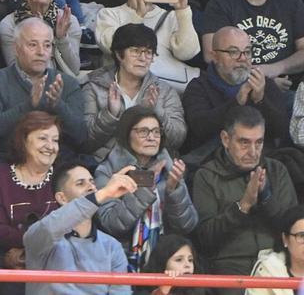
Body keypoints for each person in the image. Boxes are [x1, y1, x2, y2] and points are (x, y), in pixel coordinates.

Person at [192, 105, 298, 277]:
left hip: (276, 262)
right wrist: (243, 205)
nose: (253, 152)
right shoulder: (206, 176)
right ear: (226, 139)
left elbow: (293, 229)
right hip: (229, 267)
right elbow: (205, 239)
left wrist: (266, 196)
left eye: (259, 142)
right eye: (244, 142)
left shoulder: (277, 170)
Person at [94, 107, 198, 271]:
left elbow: (187, 225)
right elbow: (110, 223)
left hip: (165, 263)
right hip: (121, 261)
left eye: (156, 132)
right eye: (144, 131)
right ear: (127, 133)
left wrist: (174, 190)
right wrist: (145, 188)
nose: (152, 137)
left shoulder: (169, 168)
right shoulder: (108, 171)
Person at [0, 18, 87, 160]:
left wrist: (57, 105)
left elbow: (81, 137)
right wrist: (29, 105)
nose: (41, 52)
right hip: (10, 162)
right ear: (16, 49)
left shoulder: (67, 83)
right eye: (33, 45)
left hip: (58, 164)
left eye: (47, 45)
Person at [22, 162, 135, 295]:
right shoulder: (41, 234)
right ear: (62, 198)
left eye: (92, 182)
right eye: (80, 183)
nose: (91, 187)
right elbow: (51, 227)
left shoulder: (112, 246)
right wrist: (103, 194)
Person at [96, 0, 200, 91]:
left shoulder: (170, 16)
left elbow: (187, 53)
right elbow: (111, 46)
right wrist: (138, 15)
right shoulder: (108, 14)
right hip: (125, 89)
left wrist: (182, 11)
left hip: (169, 88)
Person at [82, 23, 187, 161]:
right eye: (136, 51)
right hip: (105, 168)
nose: (143, 58)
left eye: (148, 53)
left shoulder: (165, 91)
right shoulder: (94, 87)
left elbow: (178, 140)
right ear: (119, 55)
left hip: (151, 168)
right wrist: (110, 115)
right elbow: (84, 142)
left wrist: (157, 113)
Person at [181, 26, 292, 157]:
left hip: (260, 160)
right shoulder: (198, 87)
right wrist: (237, 103)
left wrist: (260, 101)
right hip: (214, 164)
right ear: (215, 56)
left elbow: (280, 130)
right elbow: (200, 129)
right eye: (234, 52)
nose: (243, 58)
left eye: (247, 52)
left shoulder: (264, 83)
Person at [0, 110, 61, 272]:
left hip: (56, 263)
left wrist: (28, 250)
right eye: (42, 138)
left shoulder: (63, 174)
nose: (50, 146)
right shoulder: (0, 175)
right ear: (24, 141)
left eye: (55, 140)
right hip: (11, 265)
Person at [0, 0, 81, 76]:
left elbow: (74, 70)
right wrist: (38, 33)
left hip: (64, 88)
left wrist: (62, 39)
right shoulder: (9, 25)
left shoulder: (68, 21)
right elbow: (15, 73)